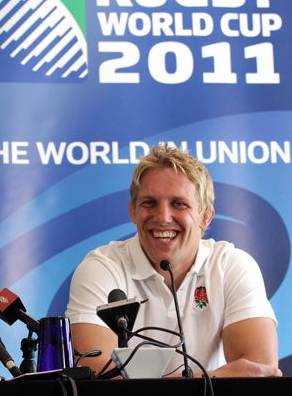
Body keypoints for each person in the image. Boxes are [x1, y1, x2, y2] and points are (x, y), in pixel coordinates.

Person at [65, 144, 281, 378]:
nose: (163, 217)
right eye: (149, 203)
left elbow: (259, 373)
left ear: (206, 216)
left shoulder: (232, 265)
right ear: (133, 211)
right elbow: (94, 380)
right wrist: (215, 378)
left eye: (179, 204)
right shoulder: (101, 267)